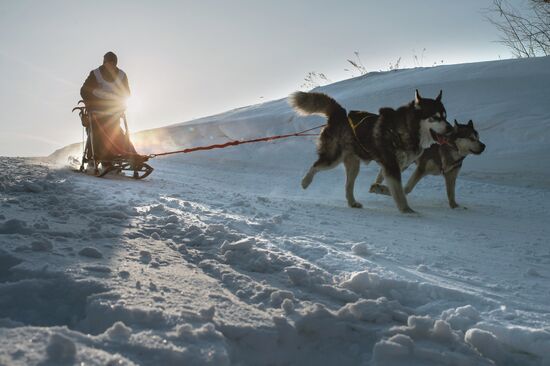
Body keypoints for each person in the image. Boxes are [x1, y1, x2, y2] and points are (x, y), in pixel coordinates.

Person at [80, 51, 138, 162]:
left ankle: (130, 154)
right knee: (97, 131)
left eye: (113, 63)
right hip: (96, 110)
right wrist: (93, 99)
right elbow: (84, 91)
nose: (110, 65)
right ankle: (97, 155)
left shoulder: (121, 75)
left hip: (113, 111)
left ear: (115, 63)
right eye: (108, 63)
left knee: (116, 131)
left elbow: (126, 93)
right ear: (104, 63)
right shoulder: (96, 74)